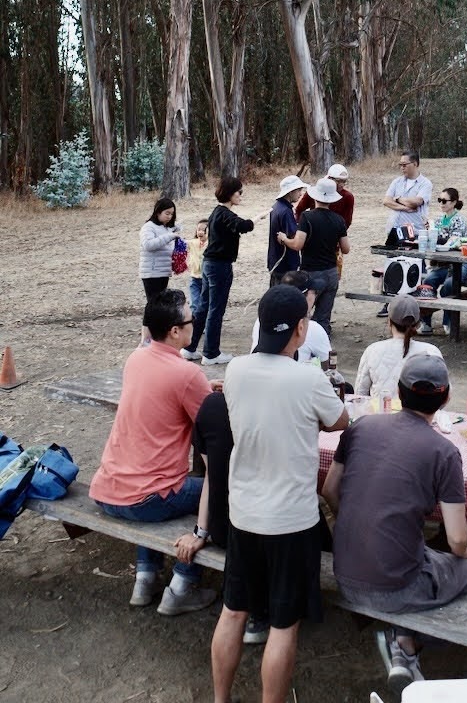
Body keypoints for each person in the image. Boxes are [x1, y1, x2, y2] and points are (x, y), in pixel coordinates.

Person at [210, 284, 349, 703]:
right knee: (284, 623)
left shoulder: (234, 369)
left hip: (244, 513)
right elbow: (340, 421)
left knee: (234, 610)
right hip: (291, 520)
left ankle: (221, 699)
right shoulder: (307, 378)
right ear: (301, 330)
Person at [322, 354, 467, 691]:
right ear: (445, 399)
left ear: (400, 391)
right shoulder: (444, 452)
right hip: (395, 587)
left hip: (343, 571)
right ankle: (408, 643)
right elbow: (457, 540)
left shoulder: (361, 427)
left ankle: (401, 636)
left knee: (428, 556)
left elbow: (329, 490)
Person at [89, 289, 216, 615]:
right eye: (191, 319)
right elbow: (215, 427)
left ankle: (145, 578)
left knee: (153, 477)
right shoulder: (188, 374)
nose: (194, 323)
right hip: (146, 501)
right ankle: (181, 585)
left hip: (107, 490)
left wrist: (204, 388)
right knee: (222, 493)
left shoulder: (137, 358)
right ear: (175, 331)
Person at [184, 177, 259, 367]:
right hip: (219, 266)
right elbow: (244, 226)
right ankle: (210, 353)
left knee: (204, 306)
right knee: (215, 309)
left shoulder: (216, 213)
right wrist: (259, 217)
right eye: (238, 192)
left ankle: (190, 347)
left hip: (210, 265)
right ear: (229, 193)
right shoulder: (224, 213)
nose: (241, 195)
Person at [283, 177, 350, 336]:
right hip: (332, 272)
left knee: (303, 312)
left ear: (314, 197)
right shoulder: (339, 220)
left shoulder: (307, 217)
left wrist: (285, 239)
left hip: (311, 272)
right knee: (323, 316)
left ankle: (302, 345)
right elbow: (346, 249)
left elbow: (298, 244)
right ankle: (322, 347)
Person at [377, 151, 433, 319]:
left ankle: (417, 306)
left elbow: (417, 202)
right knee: (391, 265)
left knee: (416, 267)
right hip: (395, 229)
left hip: (414, 231)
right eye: (400, 165)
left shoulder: (425, 183)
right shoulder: (396, 181)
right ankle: (389, 303)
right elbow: (386, 200)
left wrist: (398, 199)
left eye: (405, 164)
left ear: (415, 164)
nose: (402, 168)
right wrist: (403, 205)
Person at [354, 294, 444, 398]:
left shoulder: (372, 350)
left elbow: (360, 395)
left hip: (382, 411)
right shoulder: (431, 352)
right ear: (418, 324)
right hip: (419, 412)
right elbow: (443, 394)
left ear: (389, 322)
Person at [251, 270, 332, 368]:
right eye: (314, 292)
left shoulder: (261, 321)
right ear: (300, 327)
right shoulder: (314, 329)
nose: (315, 296)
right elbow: (328, 367)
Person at [417, 188, 467, 335]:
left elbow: (453, 242)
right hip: (442, 263)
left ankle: (449, 321)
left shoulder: (459, 220)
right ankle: (426, 323)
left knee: (448, 286)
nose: (441, 203)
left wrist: (435, 236)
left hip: (459, 263)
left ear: (453, 202)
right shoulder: (439, 219)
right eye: (439, 200)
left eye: (444, 201)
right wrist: (429, 231)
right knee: (427, 283)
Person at [267, 174, 307, 285]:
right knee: (285, 299)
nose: (301, 193)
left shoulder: (277, 206)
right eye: (299, 190)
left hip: (276, 260)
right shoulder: (286, 211)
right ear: (290, 191)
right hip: (285, 265)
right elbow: (295, 239)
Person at [139, 197, 180, 300]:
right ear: (158, 212)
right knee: (154, 303)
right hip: (152, 273)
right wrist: (169, 236)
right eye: (167, 213)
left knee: (161, 304)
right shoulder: (149, 227)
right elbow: (148, 245)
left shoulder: (167, 228)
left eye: (172, 214)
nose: (170, 216)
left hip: (164, 271)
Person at [295, 163, 354, 228]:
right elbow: (299, 210)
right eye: (339, 181)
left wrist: (337, 234)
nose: (342, 184)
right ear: (329, 179)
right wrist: (303, 229)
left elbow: (347, 221)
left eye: (344, 181)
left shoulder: (347, 197)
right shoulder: (313, 193)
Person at [186, 218, 208, 317]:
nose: (201, 232)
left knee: (205, 303)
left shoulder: (212, 243)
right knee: (194, 303)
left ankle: (203, 323)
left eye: (204, 230)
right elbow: (182, 243)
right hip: (194, 278)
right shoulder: (193, 243)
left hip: (206, 279)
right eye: (199, 229)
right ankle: (194, 325)